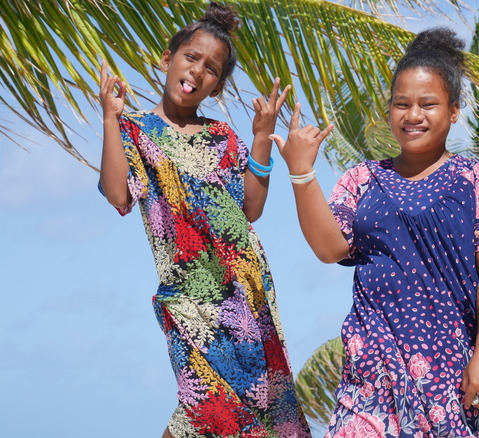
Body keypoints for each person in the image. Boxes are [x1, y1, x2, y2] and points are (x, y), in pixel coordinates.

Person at [271, 28, 479, 437]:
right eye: (401, 104)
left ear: (454, 110)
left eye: (428, 104)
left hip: (457, 373)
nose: (412, 115)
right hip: (372, 375)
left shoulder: (478, 179)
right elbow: (330, 248)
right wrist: (301, 172)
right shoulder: (361, 179)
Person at [98, 3, 310, 437]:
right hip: (187, 299)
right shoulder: (134, 131)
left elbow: (250, 209)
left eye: (211, 68)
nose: (197, 71)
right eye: (191, 57)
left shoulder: (223, 138)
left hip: (246, 294)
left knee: (259, 410)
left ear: (216, 87)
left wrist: (260, 139)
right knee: (205, 408)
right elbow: (118, 195)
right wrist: (109, 118)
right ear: (167, 58)